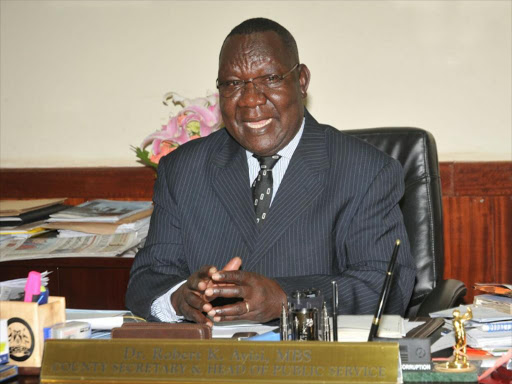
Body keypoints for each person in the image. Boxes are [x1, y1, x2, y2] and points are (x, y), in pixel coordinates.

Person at [126, 18, 415, 326]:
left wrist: (286, 299)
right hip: (211, 365)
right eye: (233, 84)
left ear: (301, 81)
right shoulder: (183, 170)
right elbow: (147, 281)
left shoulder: (365, 171)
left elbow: (386, 286)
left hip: (315, 363)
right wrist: (179, 298)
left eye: (270, 78)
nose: (250, 100)